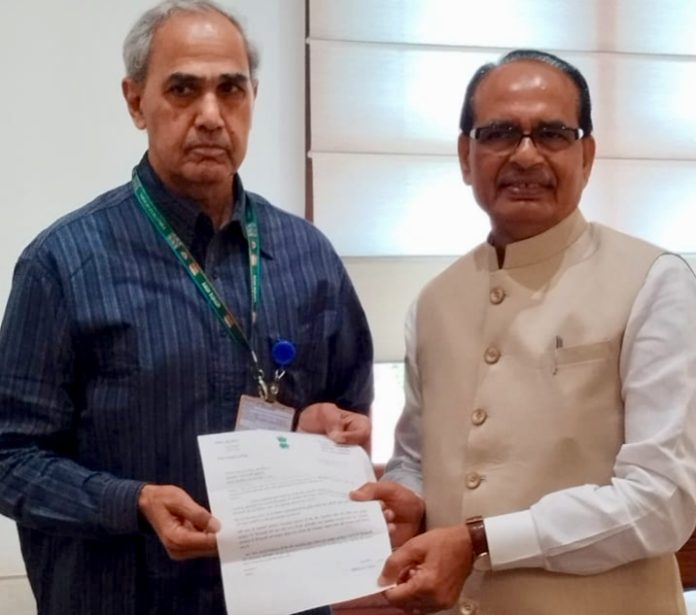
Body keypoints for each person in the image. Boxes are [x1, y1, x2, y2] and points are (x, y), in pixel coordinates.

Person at [0, 2, 373, 614]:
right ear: (135, 101)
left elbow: (350, 412)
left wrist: (332, 429)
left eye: (231, 89)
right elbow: (10, 458)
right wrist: (132, 502)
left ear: (253, 98)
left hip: (283, 599)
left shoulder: (310, 257)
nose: (211, 115)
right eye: (182, 89)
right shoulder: (63, 263)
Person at [352, 49, 696, 615]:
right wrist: (408, 497)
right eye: (500, 133)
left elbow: (662, 502)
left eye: (553, 134)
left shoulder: (654, 281)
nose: (527, 154)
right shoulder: (436, 301)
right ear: (466, 157)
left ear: (587, 156)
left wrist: (481, 539)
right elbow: (416, 455)